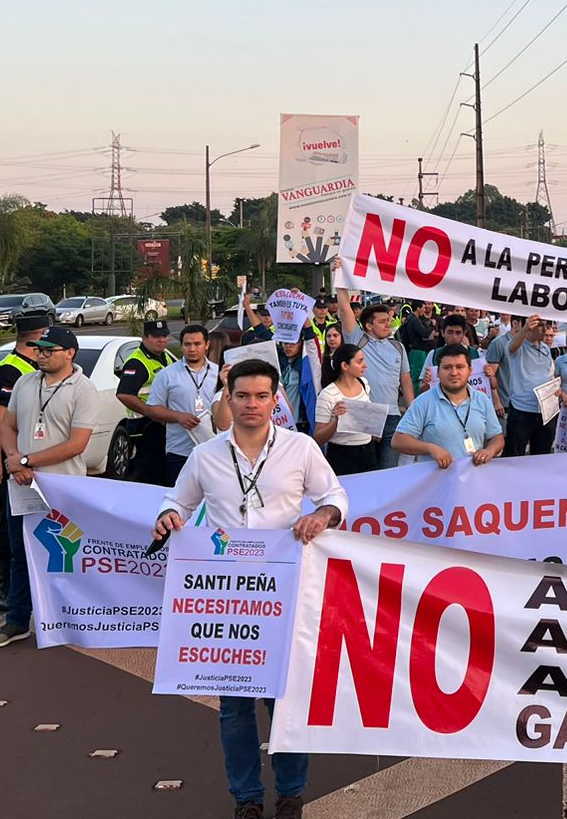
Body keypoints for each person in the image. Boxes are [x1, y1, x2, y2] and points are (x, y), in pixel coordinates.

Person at [154, 357, 349, 819]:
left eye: (262, 396)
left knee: (284, 700)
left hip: (284, 592)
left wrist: (322, 516)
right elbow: (175, 499)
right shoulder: (205, 455)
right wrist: (168, 514)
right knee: (235, 708)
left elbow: (335, 496)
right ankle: (245, 799)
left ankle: (290, 794)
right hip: (228, 601)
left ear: (275, 399)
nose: (252, 405)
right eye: (242, 396)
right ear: (229, 398)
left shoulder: (300, 448)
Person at [0, 326, 101, 650]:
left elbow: (77, 444)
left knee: (65, 553)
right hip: (22, 484)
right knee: (20, 552)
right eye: (39, 349)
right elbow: (8, 426)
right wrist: (14, 459)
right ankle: (18, 621)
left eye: (49, 350)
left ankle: (69, 619)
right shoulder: (25, 382)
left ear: (69, 353)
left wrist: (27, 459)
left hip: (62, 486)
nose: (41, 354)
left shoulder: (83, 389)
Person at [0, 311, 49, 611]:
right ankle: (2, 588)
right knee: (8, 525)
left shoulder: (37, 369)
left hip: (32, 458)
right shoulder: (9, 371)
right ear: (36, 337)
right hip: (11, 461)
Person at [335, 287, 413, 469]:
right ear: (369, 326)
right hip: (364, 416)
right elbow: (345, 308)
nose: (389, 324)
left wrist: (413, 410)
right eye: (383, 321)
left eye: (389, 320)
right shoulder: (357, 340)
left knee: (389, 473)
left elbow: (406, 380)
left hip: (393, 417)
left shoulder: (398, 347)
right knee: (364, 472)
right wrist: (340, 280)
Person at [392, 344, 504, 467]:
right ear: (438, 372)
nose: (454, 373)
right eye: (447, 367)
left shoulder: (482, 400)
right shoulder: (423, 402)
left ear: (470, 371)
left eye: (460, 367)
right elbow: (398, 440)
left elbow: (497, 437)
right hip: (436, 479)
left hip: (473, 477)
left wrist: (489, 451)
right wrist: (431, 448)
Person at [145, 324, 220, 486]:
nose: (192, 349)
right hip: (180, 451)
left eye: (197, 344)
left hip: (214, 450)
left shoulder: (219, 374)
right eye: (187, 344)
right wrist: (178, 417)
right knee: (179, 503)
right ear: (181, 347)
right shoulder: (167, 375)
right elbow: (152, 409)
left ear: (207, 345)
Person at [113, 320, 179, 485]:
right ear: (144, 338)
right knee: (149, 474)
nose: (161, 340)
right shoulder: (137, 362)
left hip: (162, 425)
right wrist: (151, 412)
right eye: (156, 336)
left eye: (164, 336)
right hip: (145, 426)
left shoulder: (165, 357)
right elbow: (124, 394)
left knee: (163, 471)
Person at [499, 315, 559, 457]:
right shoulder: (518, 346)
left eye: (546, 325)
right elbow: (512, 347)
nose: (545, 329)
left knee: (542, 456)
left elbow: (549, 373)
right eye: (540, 325)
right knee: (514, 455)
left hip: (546, 411)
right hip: (522, 411)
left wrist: (556, 388)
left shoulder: (545, 348)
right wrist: (525, 328)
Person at [314, 343, 377, 474]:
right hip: (342, 455)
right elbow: (317, 438)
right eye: (359, 361)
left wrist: (373, 427)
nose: (365, 365)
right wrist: (336, 421)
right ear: (345, 366)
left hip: (368, 451)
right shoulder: (328, 394)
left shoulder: (363, 383)